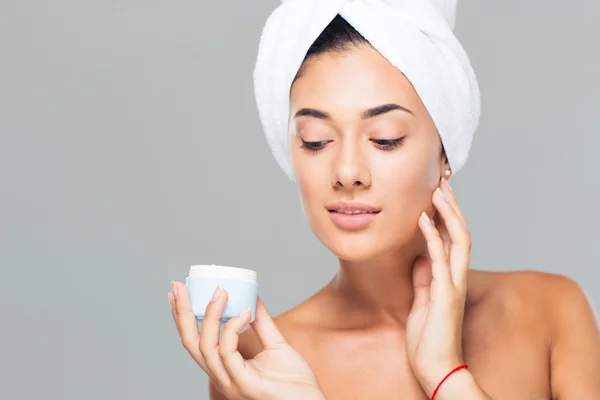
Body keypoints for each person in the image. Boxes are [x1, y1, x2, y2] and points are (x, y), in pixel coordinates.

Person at [168, 11, 600, 400]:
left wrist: (447, 376)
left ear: (445, 152)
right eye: (316, 141)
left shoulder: (549, 311)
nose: (347, 171)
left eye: (385, 137)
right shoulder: (258, 363)